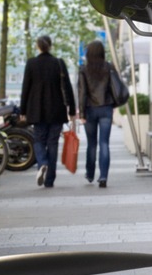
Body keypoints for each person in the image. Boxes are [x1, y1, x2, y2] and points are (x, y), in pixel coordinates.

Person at [19, 35, 77, 188]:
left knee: (38, 140)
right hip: (56, 110)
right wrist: (71, 109)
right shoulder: (58, 63)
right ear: (50, 46)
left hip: (36, 110)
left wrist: (23, 109)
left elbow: (25, 88)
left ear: (38, 47)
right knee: (53, 143)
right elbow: (68, 87)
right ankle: (49, 180)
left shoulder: (31, 63)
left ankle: (42, 163)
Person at [78, 40, 116, 188]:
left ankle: (90, 173)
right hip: (106, 108)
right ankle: (103, 176)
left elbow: (82, 93)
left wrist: (81, 112)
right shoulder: (108, 67)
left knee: (91, 144)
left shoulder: (84, 69)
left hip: (89, 109)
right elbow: (114, 87)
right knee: (104, 143)